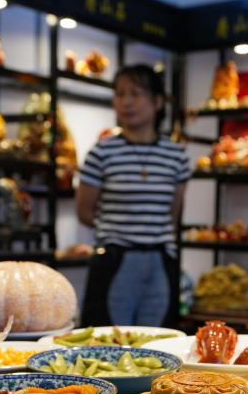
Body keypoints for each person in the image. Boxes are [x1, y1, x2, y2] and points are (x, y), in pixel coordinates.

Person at [76, 64, 190, 327]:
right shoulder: (101, 152)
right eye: (120, 94)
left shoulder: (176, 155)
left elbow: (173, 214)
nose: (126, 102)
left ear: (158, 102)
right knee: (107, 338)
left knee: (160, 340)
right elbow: (84, 211)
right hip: (114, 259)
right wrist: (119, 229)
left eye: (135, 94)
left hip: (160, 260)